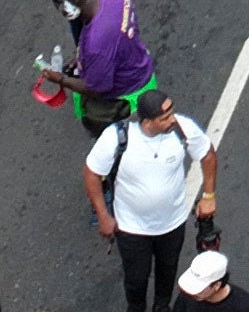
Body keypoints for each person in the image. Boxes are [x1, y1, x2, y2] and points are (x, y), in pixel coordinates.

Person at [88, 90, 213, 312]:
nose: (172, 119)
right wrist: (103, 216)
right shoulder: (117, 138)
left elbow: (207, 154)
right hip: (132, 229)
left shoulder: (182, 129)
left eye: (172, 113)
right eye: (165, 117)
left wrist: (209, 195)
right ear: (147, 122)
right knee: (136, 279)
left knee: (168, 272)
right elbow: (91, 173)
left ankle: (161, 306)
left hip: (173, 225)